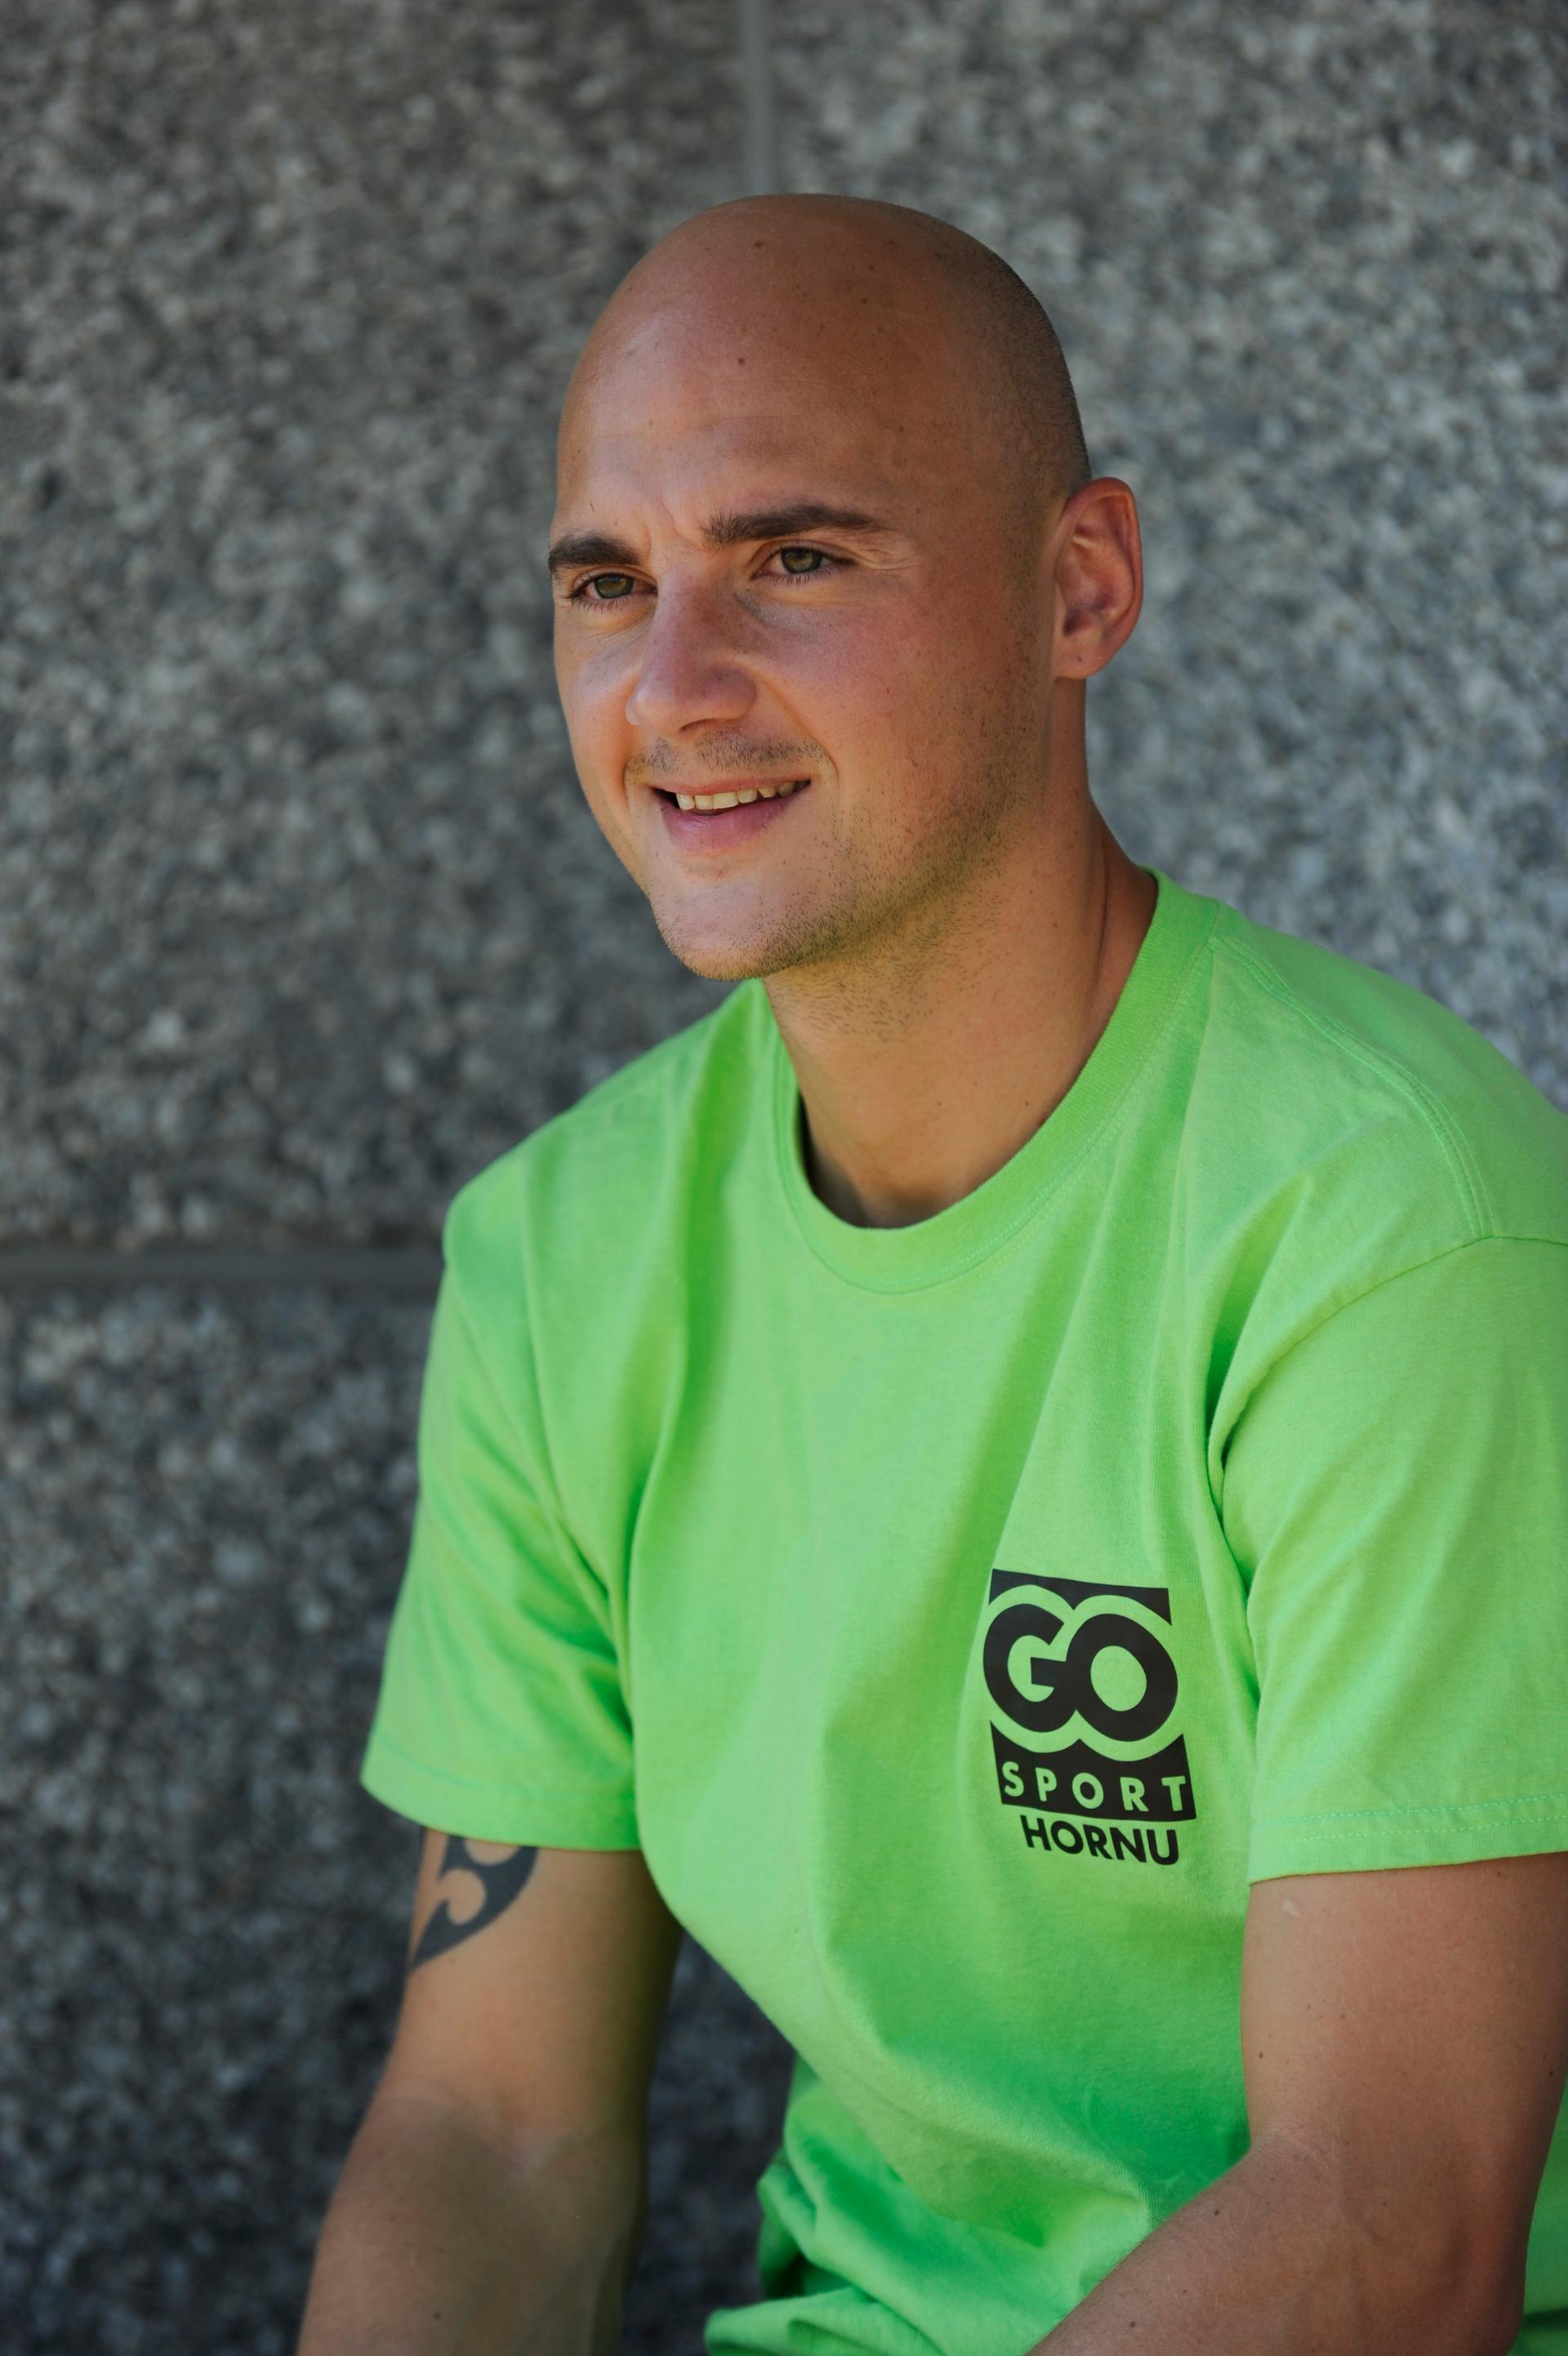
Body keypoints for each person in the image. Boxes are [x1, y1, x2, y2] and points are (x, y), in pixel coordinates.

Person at [296, 194, 1568, 2356]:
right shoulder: (562, 1256)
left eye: (793, 557)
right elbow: (499, 2131)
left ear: (1080, 590)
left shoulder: (1388, 1226)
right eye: (609, 583)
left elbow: (1385, 2221)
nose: (672, 685)